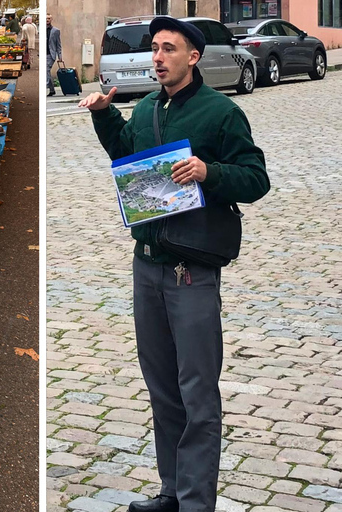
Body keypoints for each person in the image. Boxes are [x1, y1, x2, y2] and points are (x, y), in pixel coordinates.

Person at [78, 17, 269, 512]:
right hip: (147, 265)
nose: (158, 57)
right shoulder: (144, 109)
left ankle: (195, 503)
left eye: (169, 49)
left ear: (193, 57)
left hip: (192, 271)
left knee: (197, 396)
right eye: (155, 49)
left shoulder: (220, 113)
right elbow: (127, 156)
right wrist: (104, 115)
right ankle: (171, 493)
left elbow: (255, 179)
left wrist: (211, 171)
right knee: (163, 391)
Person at [46, 14, 62, 97]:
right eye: (46, 18)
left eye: (48, 18)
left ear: (51, 19)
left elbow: (58, 44)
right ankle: (52, 90)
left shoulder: (56, 31)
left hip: (50, 55)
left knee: (46, 70)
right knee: (47, 72)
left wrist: (60, 56)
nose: (47, 20)